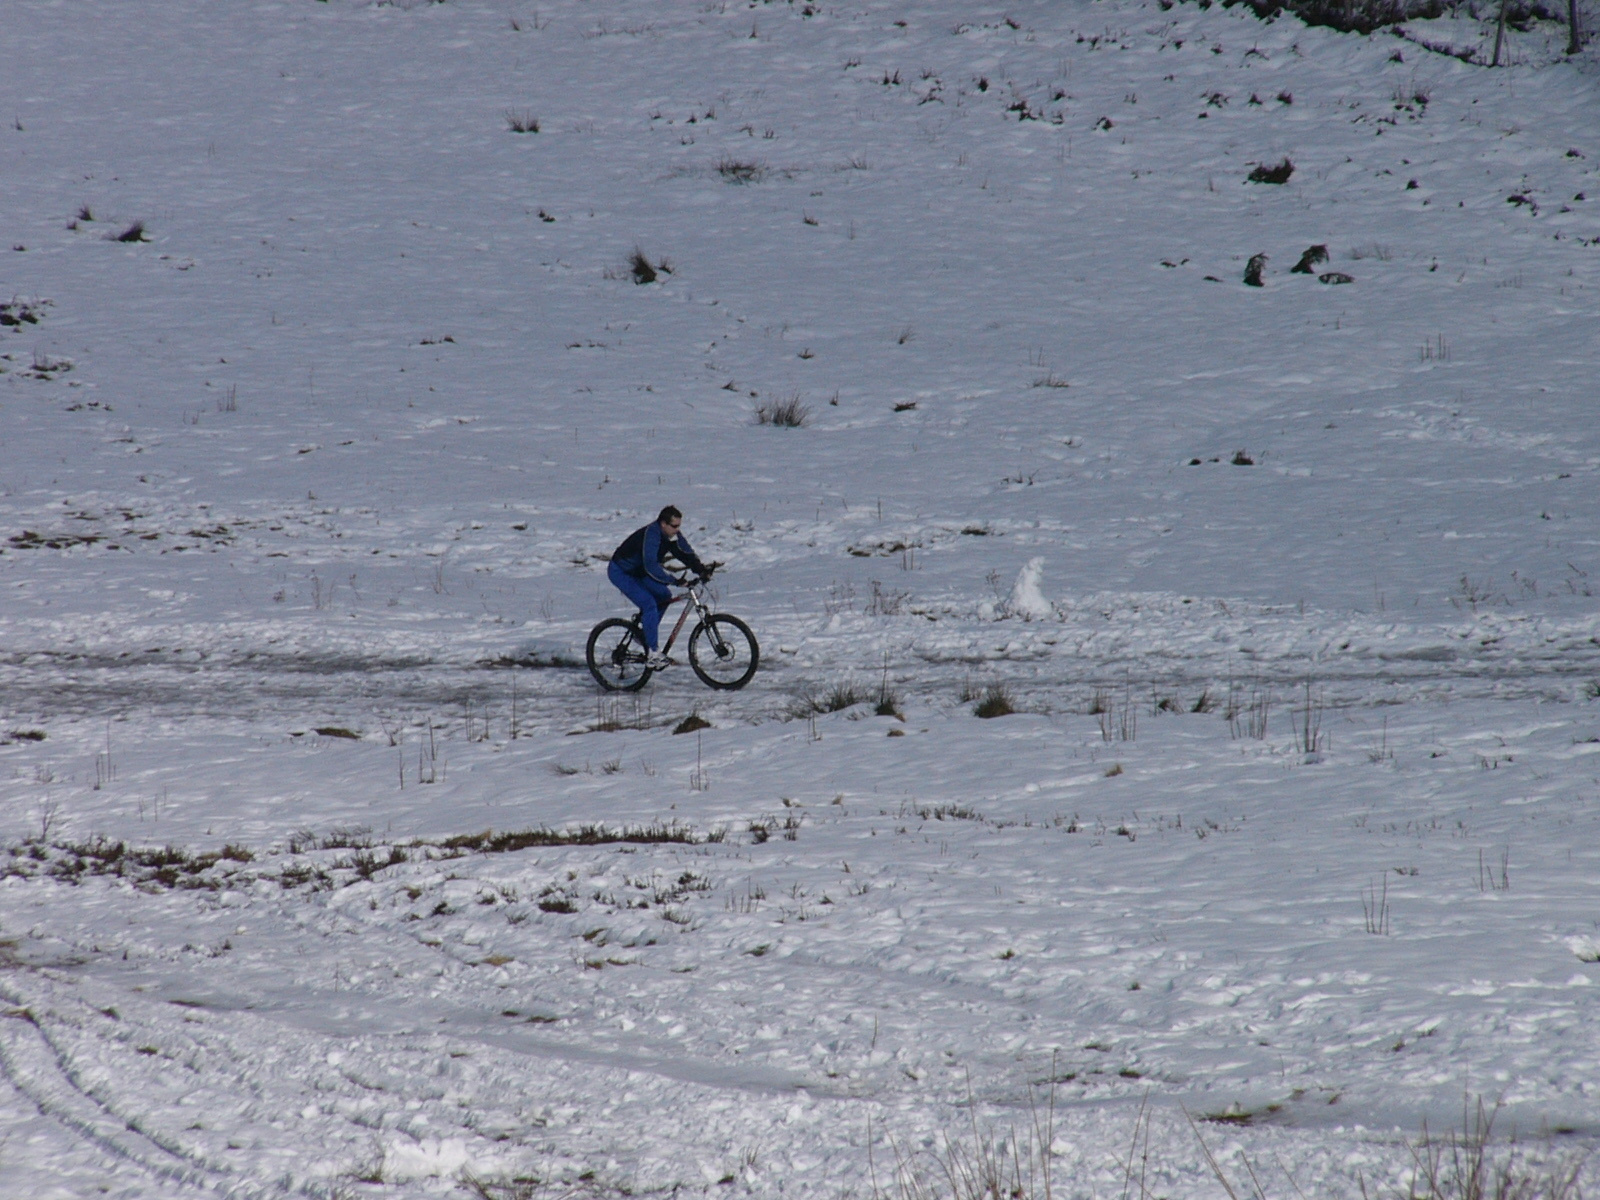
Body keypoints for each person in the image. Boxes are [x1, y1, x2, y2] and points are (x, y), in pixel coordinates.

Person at [607, 506, 711, 669]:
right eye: (674, 526)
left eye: (679, 526)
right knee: (649, 603)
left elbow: (685, 552)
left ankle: (644, 635)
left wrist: (700, 569)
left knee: (664, 595)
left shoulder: (672, 536)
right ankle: (653, 654)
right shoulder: (652, 535)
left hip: (638, 571)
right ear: (663, 524)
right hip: (621, 572)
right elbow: (651, 567)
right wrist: (674, 580)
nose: (678, 530)